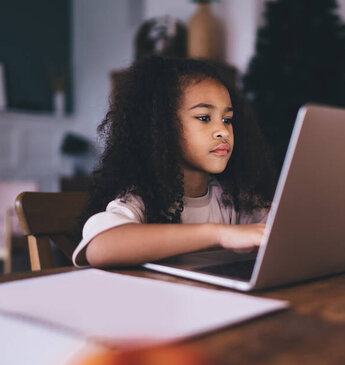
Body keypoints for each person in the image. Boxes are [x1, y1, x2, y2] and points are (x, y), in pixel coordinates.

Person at [73, 56, 276, 267]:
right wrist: (218, 234)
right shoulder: (142, 200)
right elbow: (100, 248)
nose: (223, 131)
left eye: (227, 120)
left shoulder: (233, 199)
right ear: (162, 127)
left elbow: (286, 231)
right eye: (204, 117)